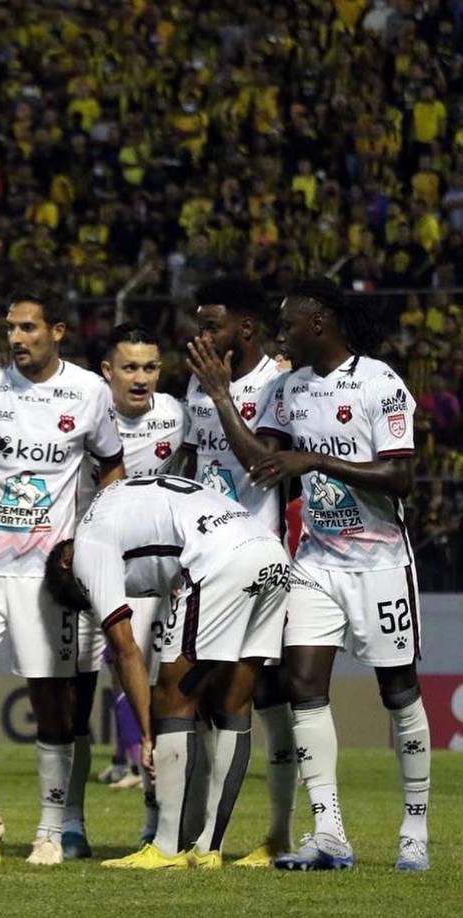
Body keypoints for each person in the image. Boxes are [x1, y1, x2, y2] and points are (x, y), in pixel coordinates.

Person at [249, 277, 430, 872]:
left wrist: (318, 459)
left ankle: (415, 830)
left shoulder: (380, 384)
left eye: (289, 322)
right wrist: (226, 401)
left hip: (379, 561)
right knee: (303, 685)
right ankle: (329, 834)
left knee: (397, 691)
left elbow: (400, 479)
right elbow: (263, 460)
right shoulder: (286, 389)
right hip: (316, 562)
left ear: (319, 322)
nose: (282, 333)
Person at [0, 288, 126, 865]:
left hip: (44, 575)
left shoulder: (89, 391)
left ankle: (52, 829)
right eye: (11, 328)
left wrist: (89, 539)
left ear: (57, 331)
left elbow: (112, 469)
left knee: (52, 702)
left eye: (28, 328)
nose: (17, 339)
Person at [45, 475, 290, 870]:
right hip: (270, 553)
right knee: (233, 703)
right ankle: (208, 849)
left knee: (169, 699)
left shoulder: (87, 546)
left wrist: (145, 735)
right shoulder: (123, 508)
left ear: (66, 562)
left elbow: (126, 650)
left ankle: (167, 847)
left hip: (220, 559)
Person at [182, 275, 297, 867]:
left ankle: (245, 837)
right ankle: (196, 833)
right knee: (200, 699)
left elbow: (261, 467)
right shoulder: (199, 386)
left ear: (245, 329)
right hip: (204, 560)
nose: (201, 336)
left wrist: (223, 394)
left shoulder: (276, 385)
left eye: (212, 325)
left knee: (245, 696)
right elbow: (192, 459)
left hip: (259, 559)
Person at [65, 323, 188, 858]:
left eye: (151, 367)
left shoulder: (176, 416)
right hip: (84, 571)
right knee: (73, 701)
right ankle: (69, 822)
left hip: (149, 577)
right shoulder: (87, 411)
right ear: (106, 372)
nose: (142, 379)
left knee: (158, 692)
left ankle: (155, 819)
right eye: (130, 368)